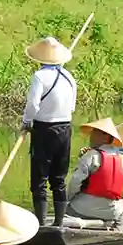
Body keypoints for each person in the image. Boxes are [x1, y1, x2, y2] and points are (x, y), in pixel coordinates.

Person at [21, 36, 77, 228]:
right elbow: (72, 107)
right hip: (65, 129)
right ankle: (58, 223)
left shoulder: (39, 76)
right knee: (59, 179)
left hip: (44, 130)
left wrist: (26, 122)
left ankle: (41, 223)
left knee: (40, 178)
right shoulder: (69, 77)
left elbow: (32, 104)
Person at [65, 118, 123, 231]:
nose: (91, 137)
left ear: (104, 137)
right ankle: (118, 231)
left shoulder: (91, 156)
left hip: (81, 208)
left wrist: (68, 199)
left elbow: (75, 182)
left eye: (94, 133)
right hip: (110, 210)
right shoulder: (120, 159)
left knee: (66, 208)